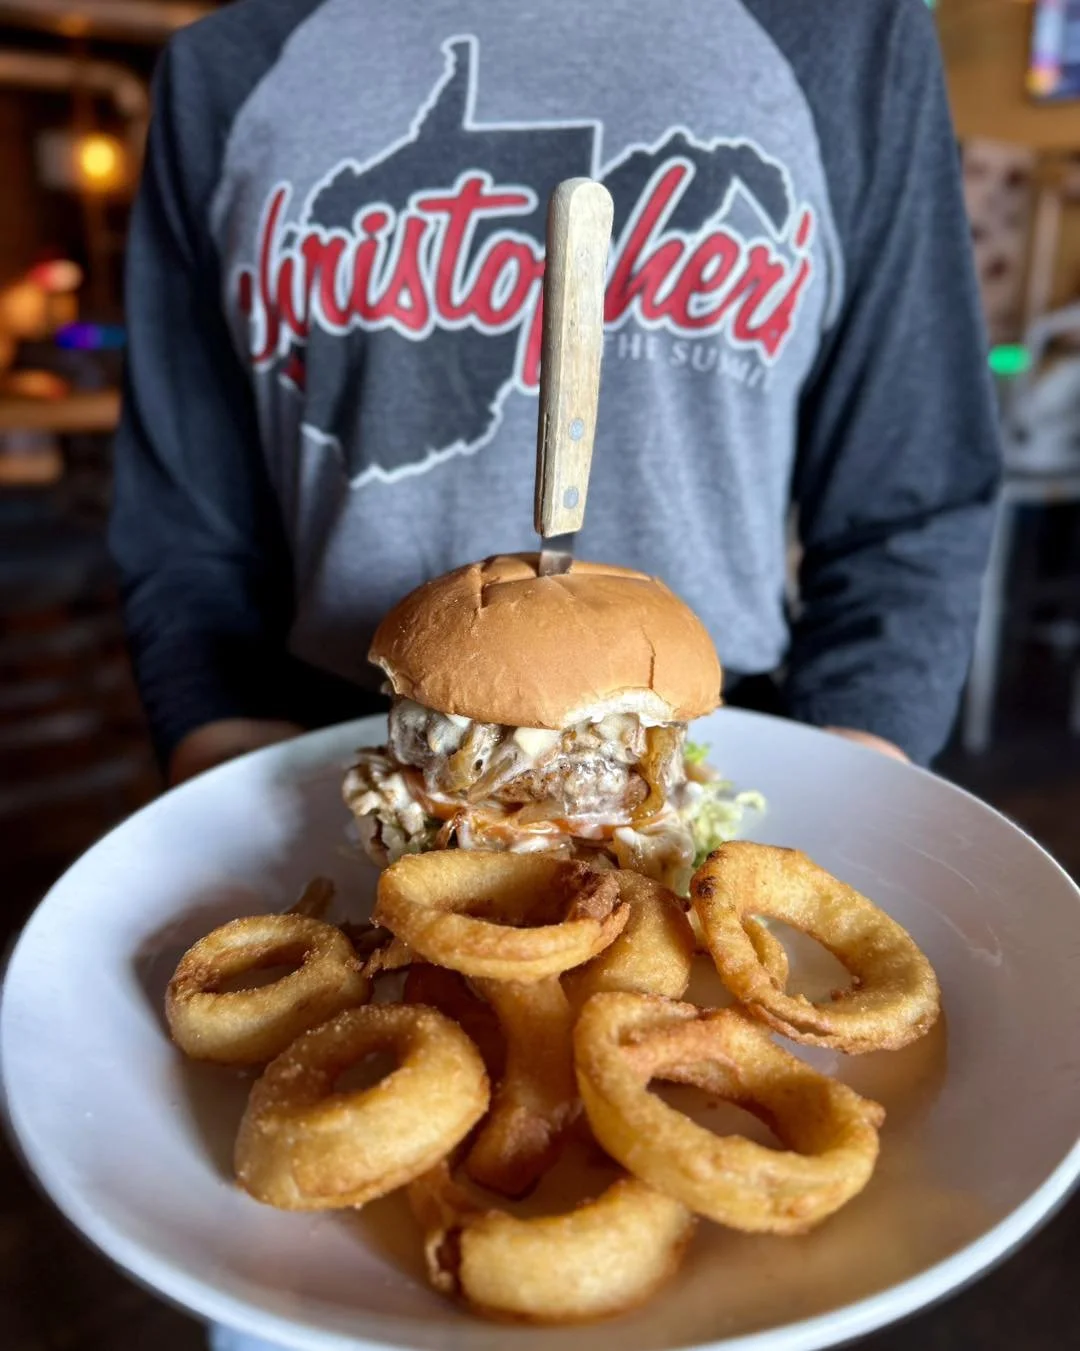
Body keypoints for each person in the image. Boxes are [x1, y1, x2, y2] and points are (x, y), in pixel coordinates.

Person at [111, 0, 997, 1338]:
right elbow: (184, 529)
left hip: (699, 754)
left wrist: (857, 775)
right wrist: (220, 766)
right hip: (341, 756)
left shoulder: (848, 31)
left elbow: (915, 496)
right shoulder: (226, 60)